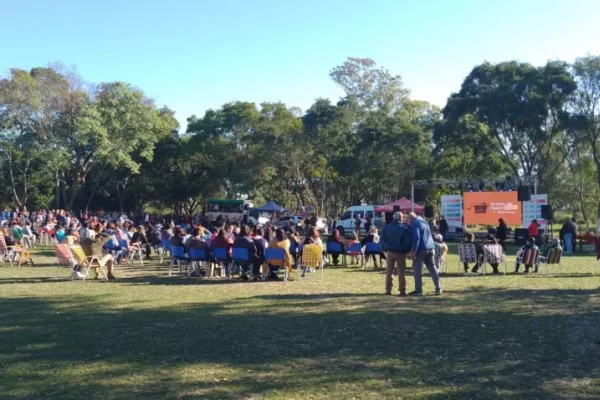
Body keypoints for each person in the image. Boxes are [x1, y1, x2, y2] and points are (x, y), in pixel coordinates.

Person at [406, 212, 441, 296]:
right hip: (430, 247)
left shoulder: (415, 224)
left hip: (421, 249)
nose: (407, 222)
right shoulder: (424, 221)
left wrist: (413, 251)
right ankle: (438, 288)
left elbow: (416, 238)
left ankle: (418, 290)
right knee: (432, 268)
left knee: (417, 270)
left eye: (407, 219)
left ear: (410, 218)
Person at [381, 212, 412, 296]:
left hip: (390, 252)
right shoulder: (405, 228)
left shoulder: (386, 227)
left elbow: (382, 240)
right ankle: (402, 290)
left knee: (389, 271)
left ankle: (388, 289)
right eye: (402, 218)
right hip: (400, 253)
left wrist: (385, 249)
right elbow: (407, 242)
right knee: (401, 272)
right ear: (400, 218)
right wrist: (407, 251)